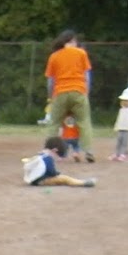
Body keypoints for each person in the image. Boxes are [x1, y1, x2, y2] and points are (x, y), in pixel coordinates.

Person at [45, 29, 96, 164]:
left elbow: (51, 80)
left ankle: (49, 151)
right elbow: (87, 76)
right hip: (79, 90)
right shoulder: (81, 53)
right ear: (73, 41)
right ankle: (88, 151)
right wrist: (86, 92)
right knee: (84, 122)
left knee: (54, 123)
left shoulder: (54, 56)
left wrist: (51, 96)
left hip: (60, 92)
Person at [22, 137, 95, 188]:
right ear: (55, 150)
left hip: (33, 180)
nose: (57, 159)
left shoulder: (40, 155)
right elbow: (51, 171)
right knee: (65, 178)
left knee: (61, 178)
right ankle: (83, 183)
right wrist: (56, 173)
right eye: (58, 156)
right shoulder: (48, 158)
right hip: (41, 181)